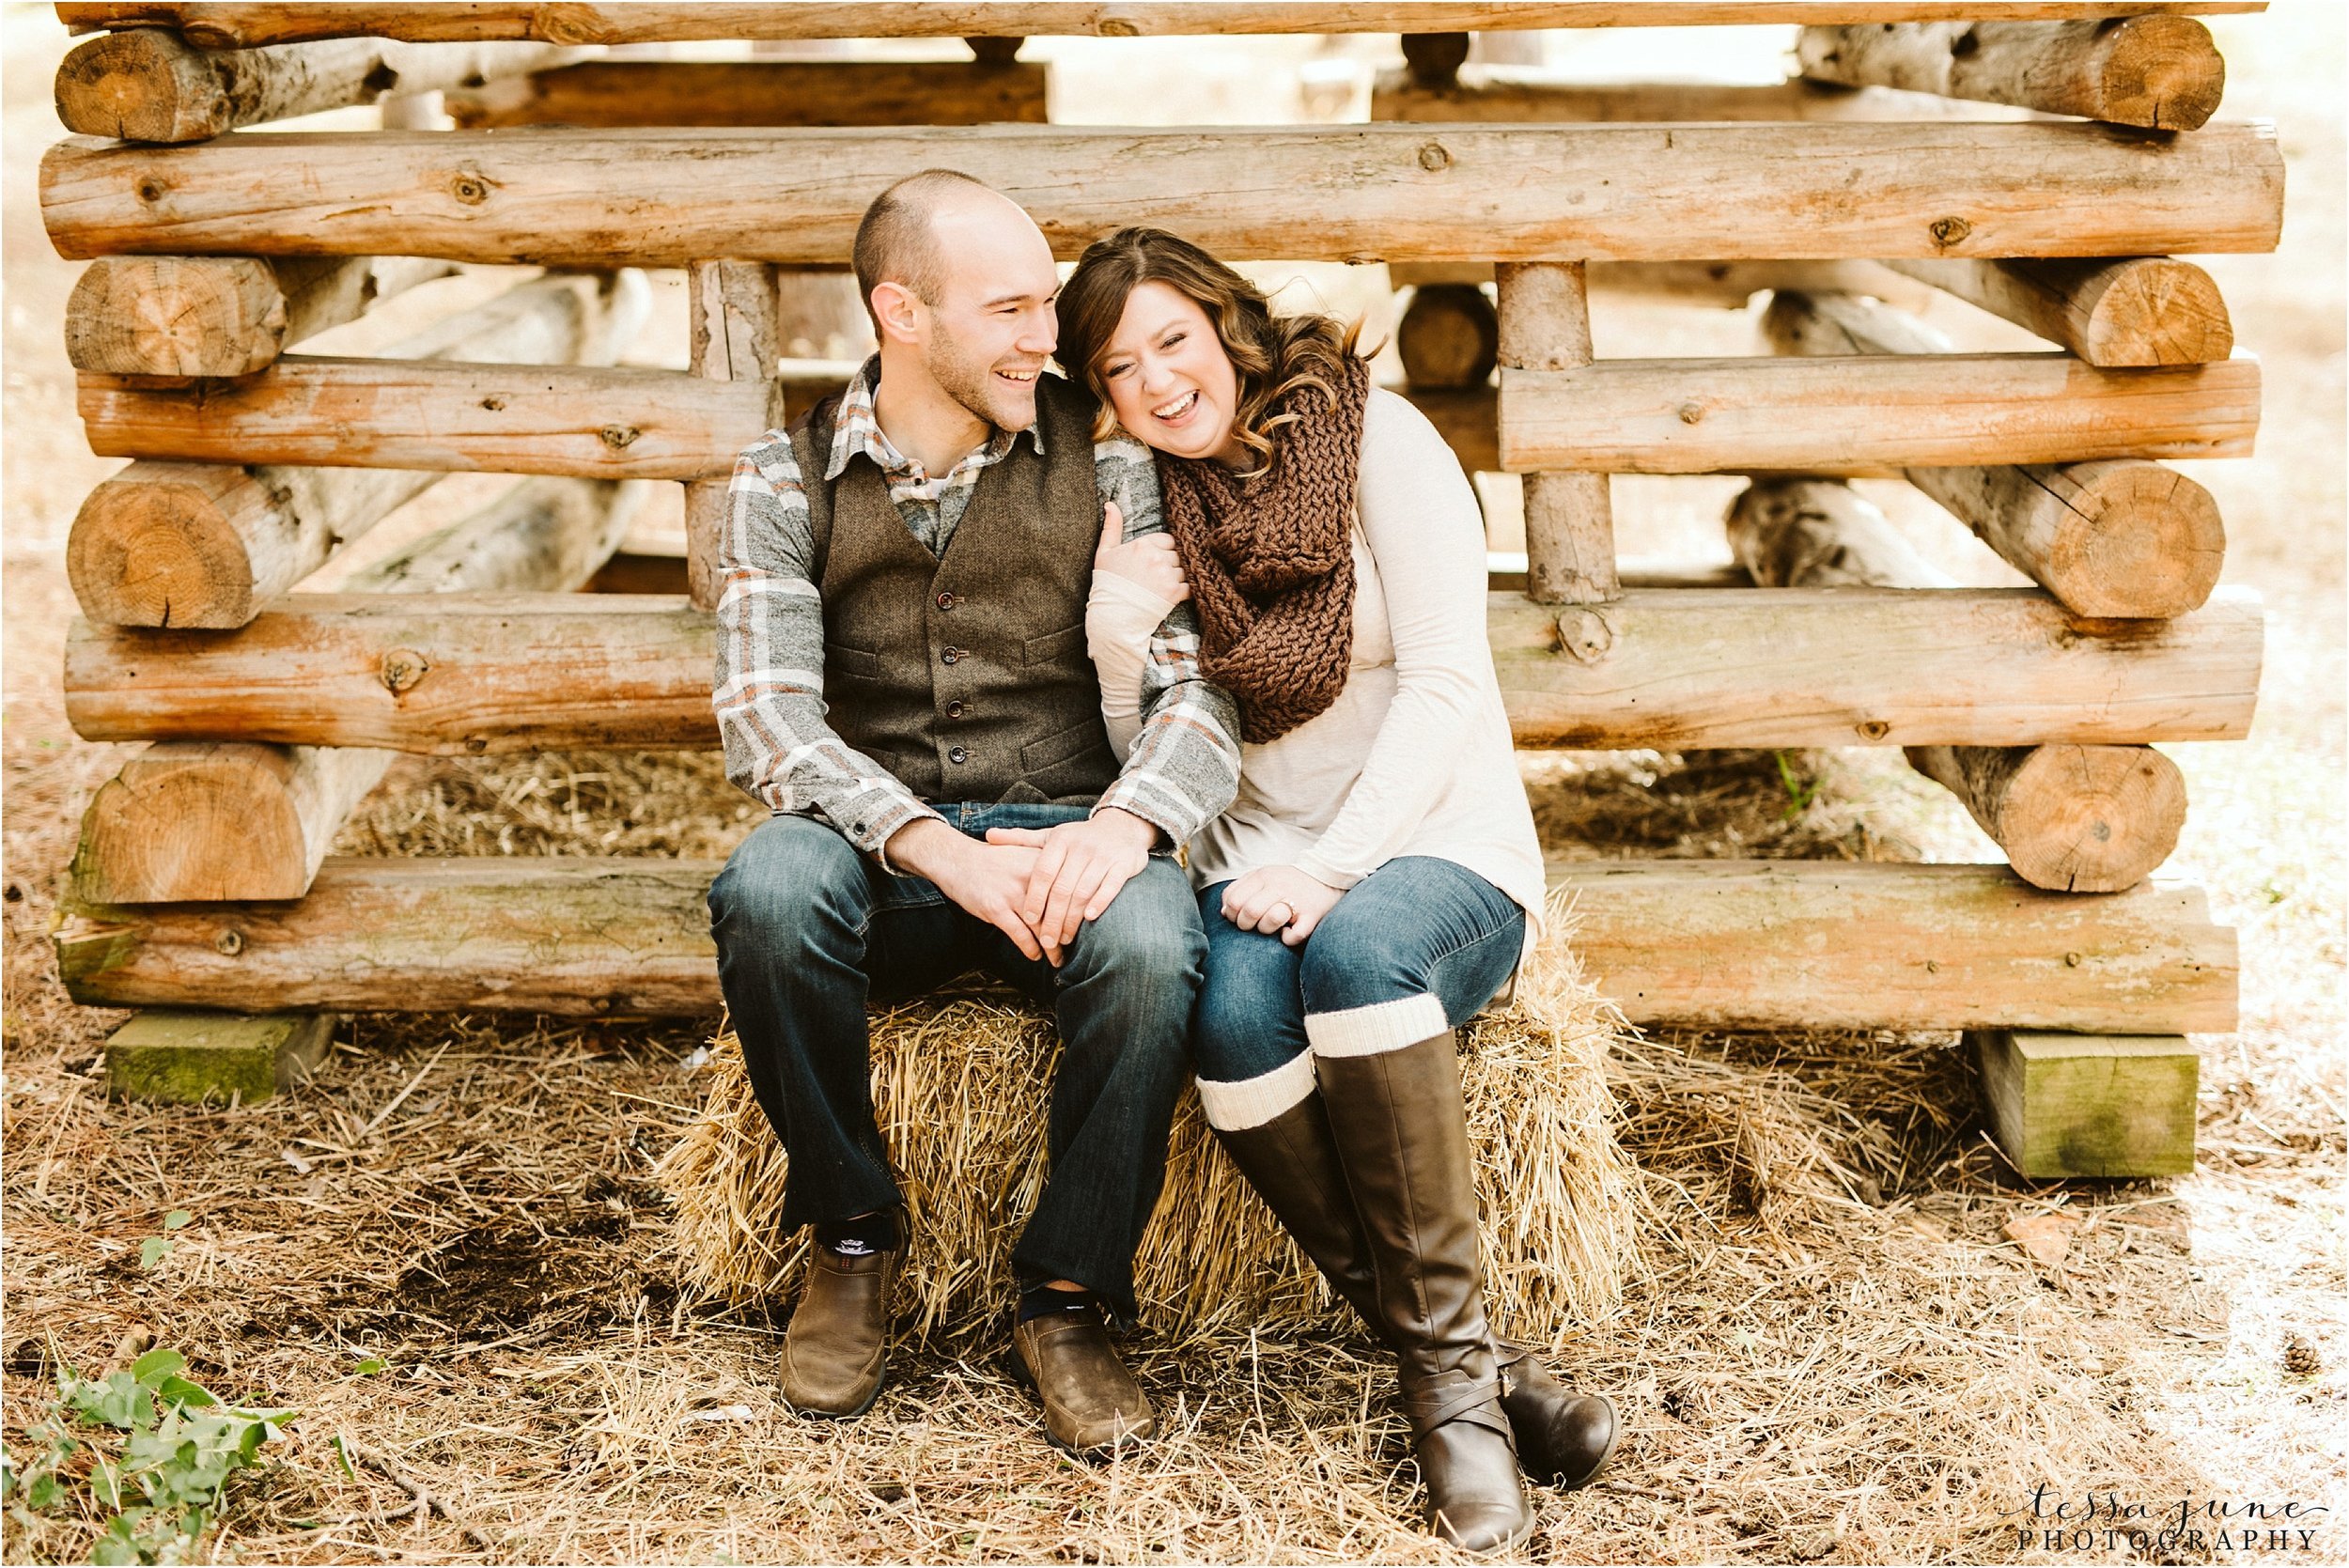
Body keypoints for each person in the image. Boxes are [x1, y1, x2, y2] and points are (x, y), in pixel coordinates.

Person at [1045, 228, 1617, 1553]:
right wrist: (1118, 626)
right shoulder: (1156, 509)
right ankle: (1478, 1370)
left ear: (1225, 322)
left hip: (1436, 846)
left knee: (1360, 960)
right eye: (1121, 368)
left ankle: (1453, 1422)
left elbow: (1447, 683)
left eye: (1173, 339)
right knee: (1232, 1019)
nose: (1159, 382)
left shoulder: (1381, 440)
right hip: (1258, 866)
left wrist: (1335, 865)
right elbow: (1164, 748)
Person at [706, 177, 1242, 1457]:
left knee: (1160, 940)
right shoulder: (780, 478)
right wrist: (931, 845)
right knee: (767, 891)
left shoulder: (1108, 455)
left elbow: (1198, 688)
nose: (1043, 338)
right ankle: (849, 1234)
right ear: (901, 311)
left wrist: (1118, 832)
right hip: (885, 857)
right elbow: (766, 723)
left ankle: (1067, 1295)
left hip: (1065, 841)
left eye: (1045, 304)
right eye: (1009, 309)